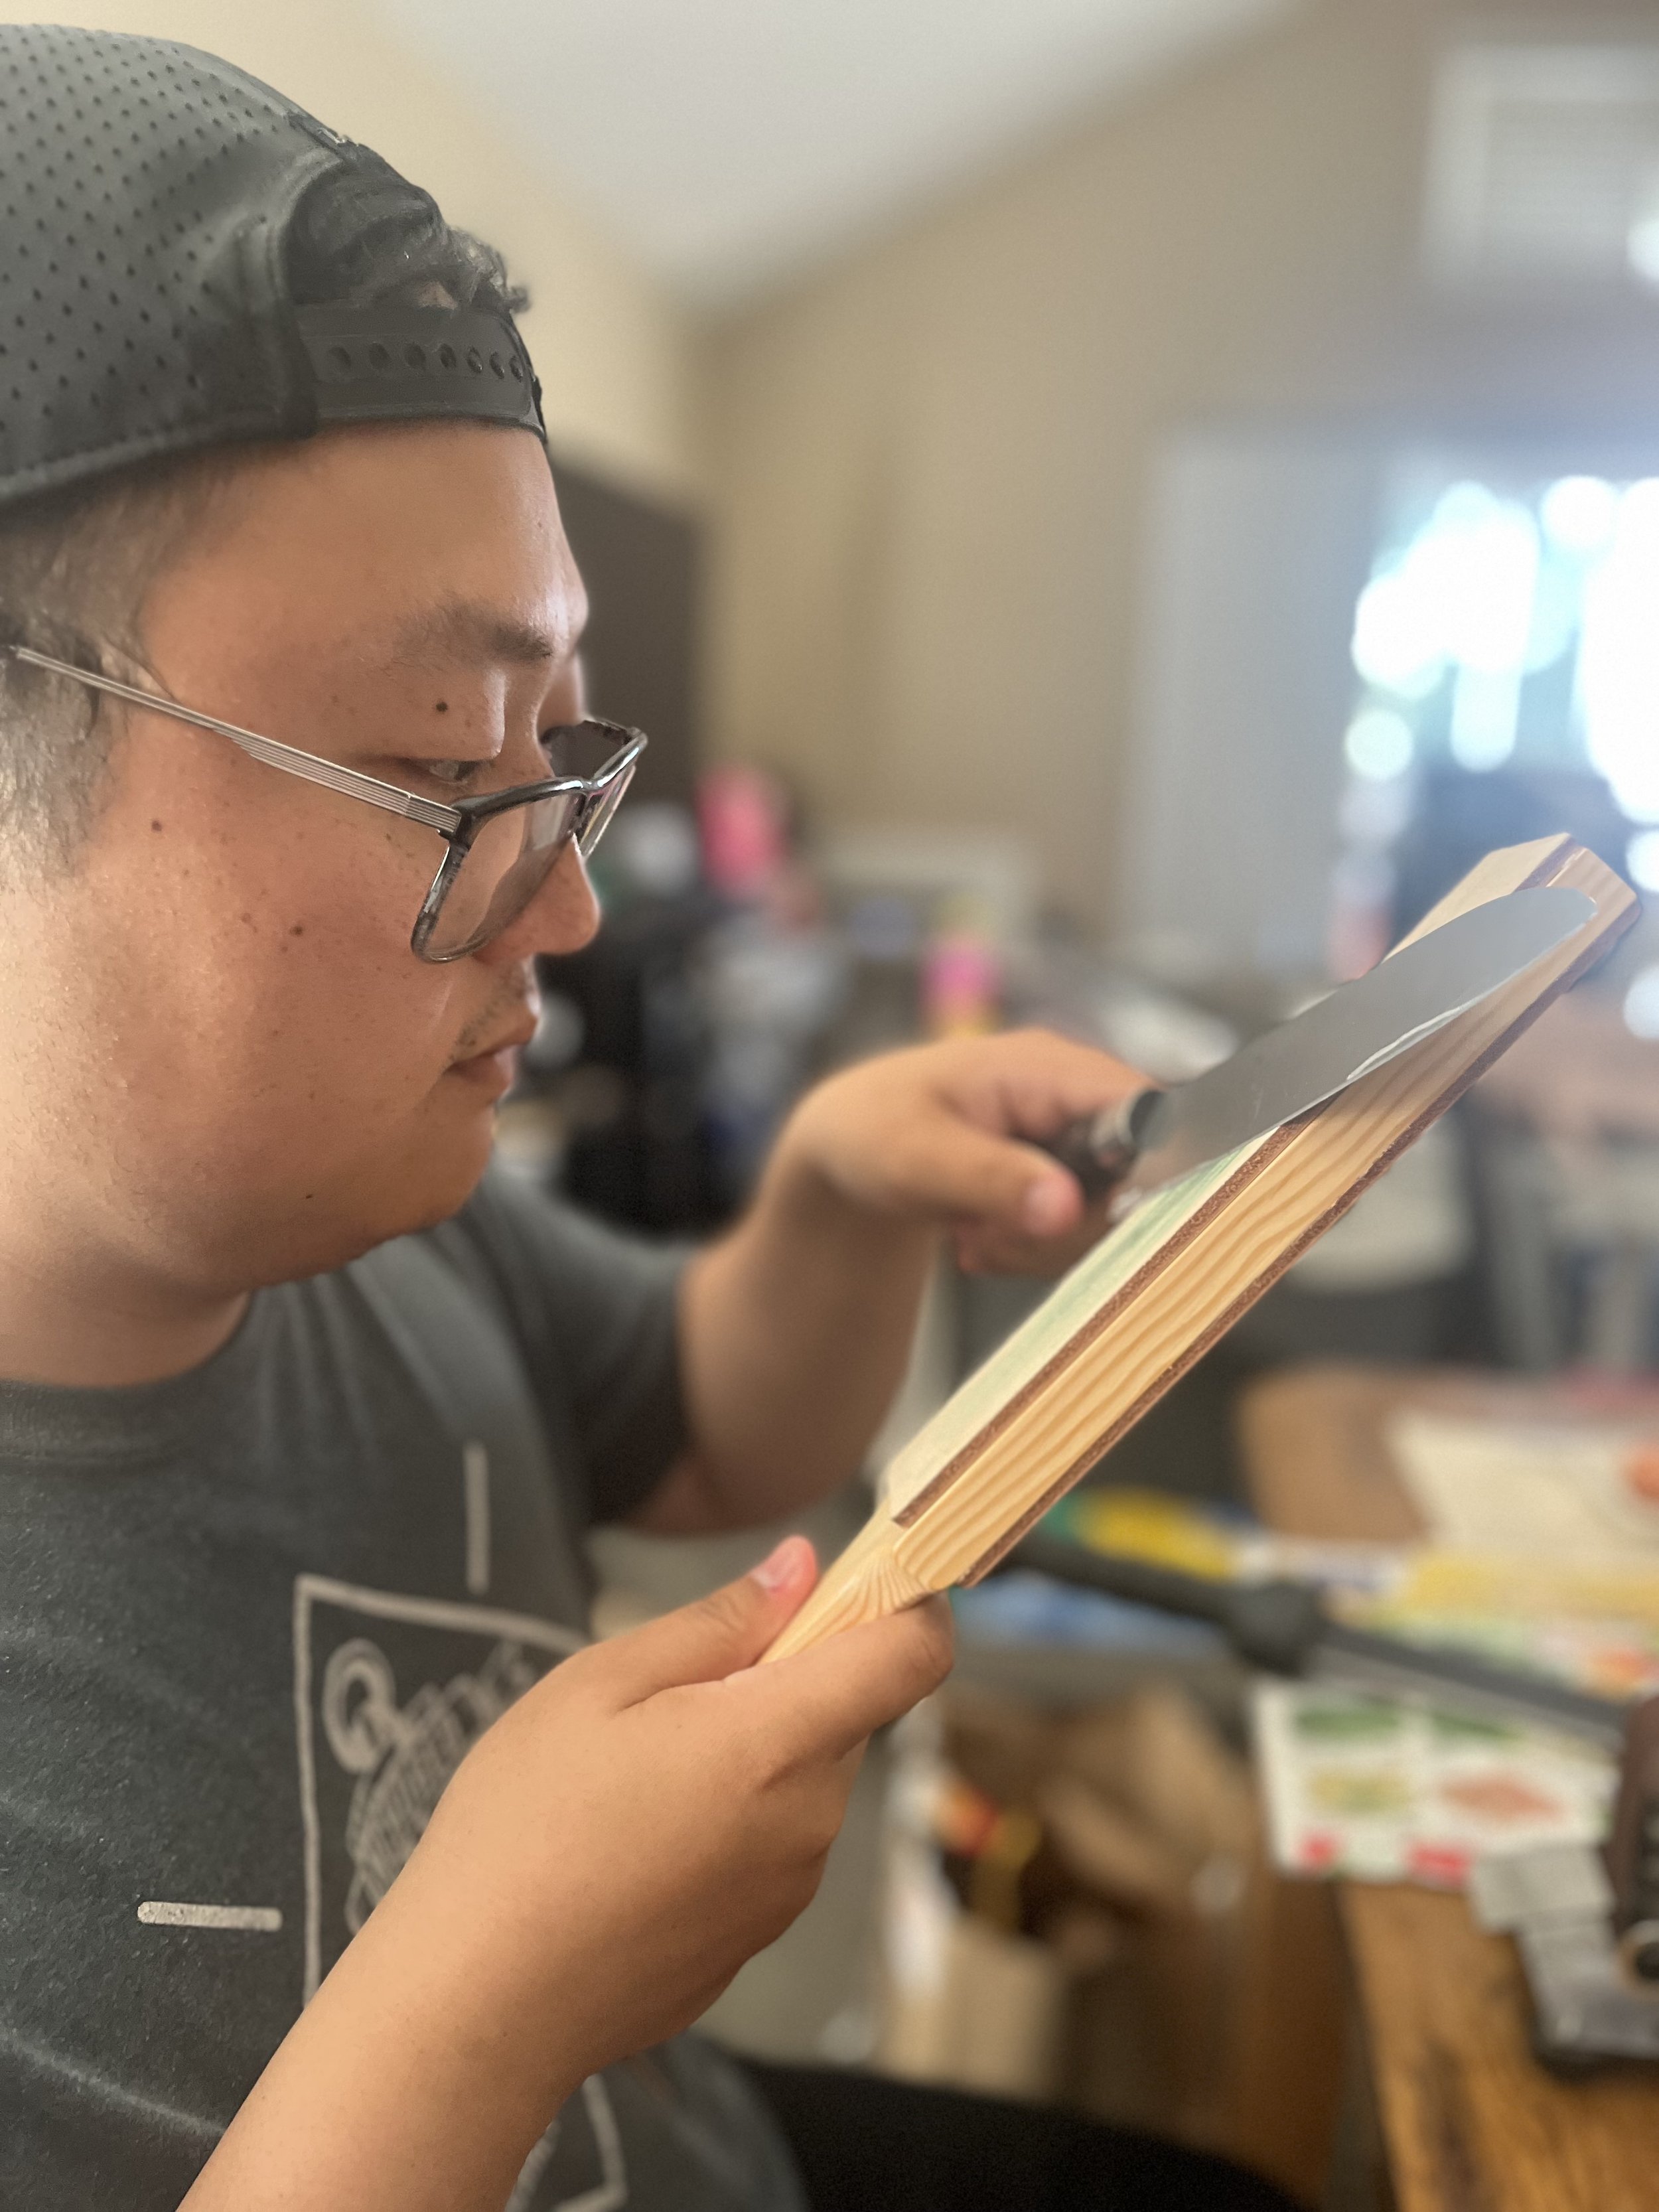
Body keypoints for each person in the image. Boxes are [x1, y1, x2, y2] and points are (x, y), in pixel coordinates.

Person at [0, 28, 1297, 2212]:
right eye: (436, 767)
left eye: (553, 748)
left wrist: (830, 1207)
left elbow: (696, 1422)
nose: (573, 904)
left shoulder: (390, 1222)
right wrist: (479, 2013)